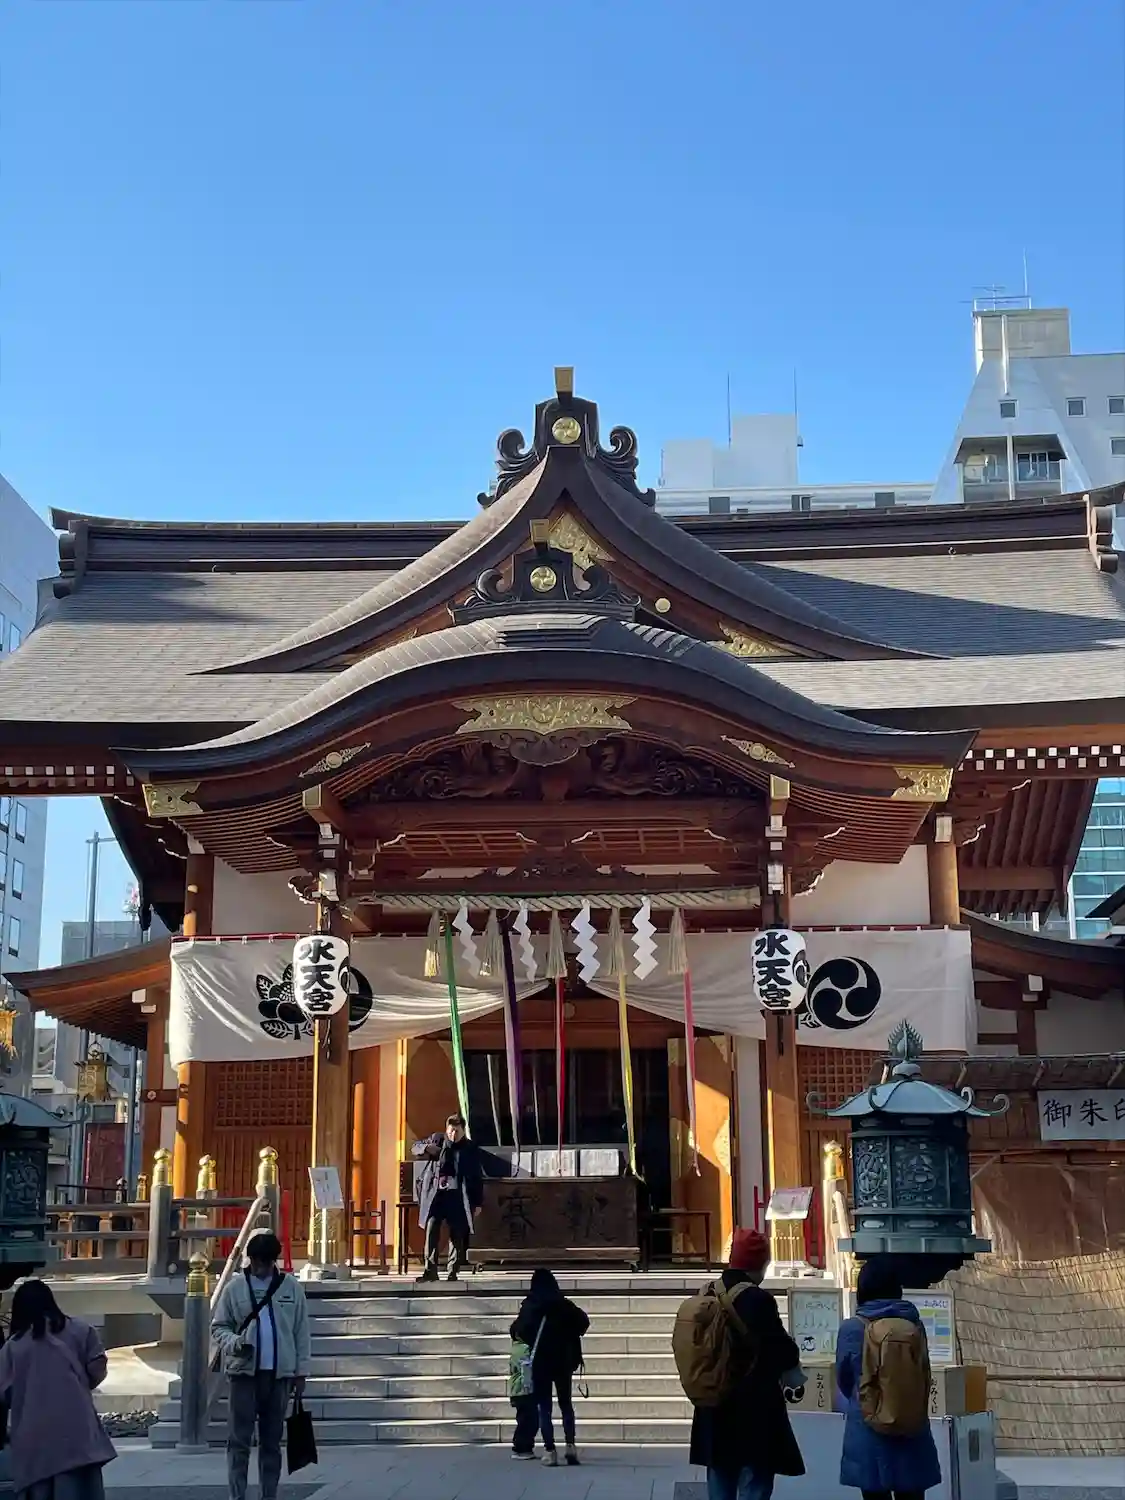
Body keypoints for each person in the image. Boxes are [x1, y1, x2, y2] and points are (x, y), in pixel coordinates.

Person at [687, 1229, 806, 1500]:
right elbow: (783, 1352)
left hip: (713, 1404)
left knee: (720, 1481)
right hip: (754, 1409)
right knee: (754, 1483)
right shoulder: (757, 1300)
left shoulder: (707, 1293)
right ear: (760, 1263)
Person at [211, 1230, 311, 1500]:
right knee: (239, 1441)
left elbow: (301, 1333)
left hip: (279, 1376)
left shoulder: (291, 1288)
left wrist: (301, 1372)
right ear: (250, 1259)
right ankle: (237, 1495)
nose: (260, 1267)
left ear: (273, 1261)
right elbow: (219, 1327)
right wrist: (235, 1342)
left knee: (271, 1442)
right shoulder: (234, 1288)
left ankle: (269, 1495)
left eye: (265, 1262)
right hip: (244, 1375)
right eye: (256, 1261)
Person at [835, 1257, 941, 1500]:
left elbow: (844, 1379)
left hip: (868, 1429)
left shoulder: (852, 1328)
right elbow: (924, 1371)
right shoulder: (914, 1326)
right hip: (911, 1428)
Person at [0, 1278, 116, 1500]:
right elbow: (97, 1367)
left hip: (33, 1429)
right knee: (79, 1486)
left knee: (41, 1486)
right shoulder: (81, 1330)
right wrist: (77, 1386)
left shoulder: (14, 1346)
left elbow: (4, 1391)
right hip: (77, 1425)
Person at [509, 1268, 590, 1466]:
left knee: (544, 1407)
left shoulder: (531, 1306)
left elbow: (518, 1330)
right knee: (566, 1404)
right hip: (564, 1362)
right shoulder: (564, 1305)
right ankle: (570, 1446)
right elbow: (583, 1323)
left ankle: (550, 1450)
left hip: (541, 1363)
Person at [411, 1112, 484, 1282]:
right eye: (451, 1131)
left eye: (457, 1131)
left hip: (457, 1195)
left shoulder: (470, 1148)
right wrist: (426, 1148)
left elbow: (476, 1176)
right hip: (436, 1195)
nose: (453, 1134)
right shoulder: (437, 1140)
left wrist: (477, 1202)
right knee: (431, 1229)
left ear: (463, 1131)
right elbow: (415, 1147)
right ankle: (430, 1270)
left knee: (457, 1234)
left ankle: (453, 1271)